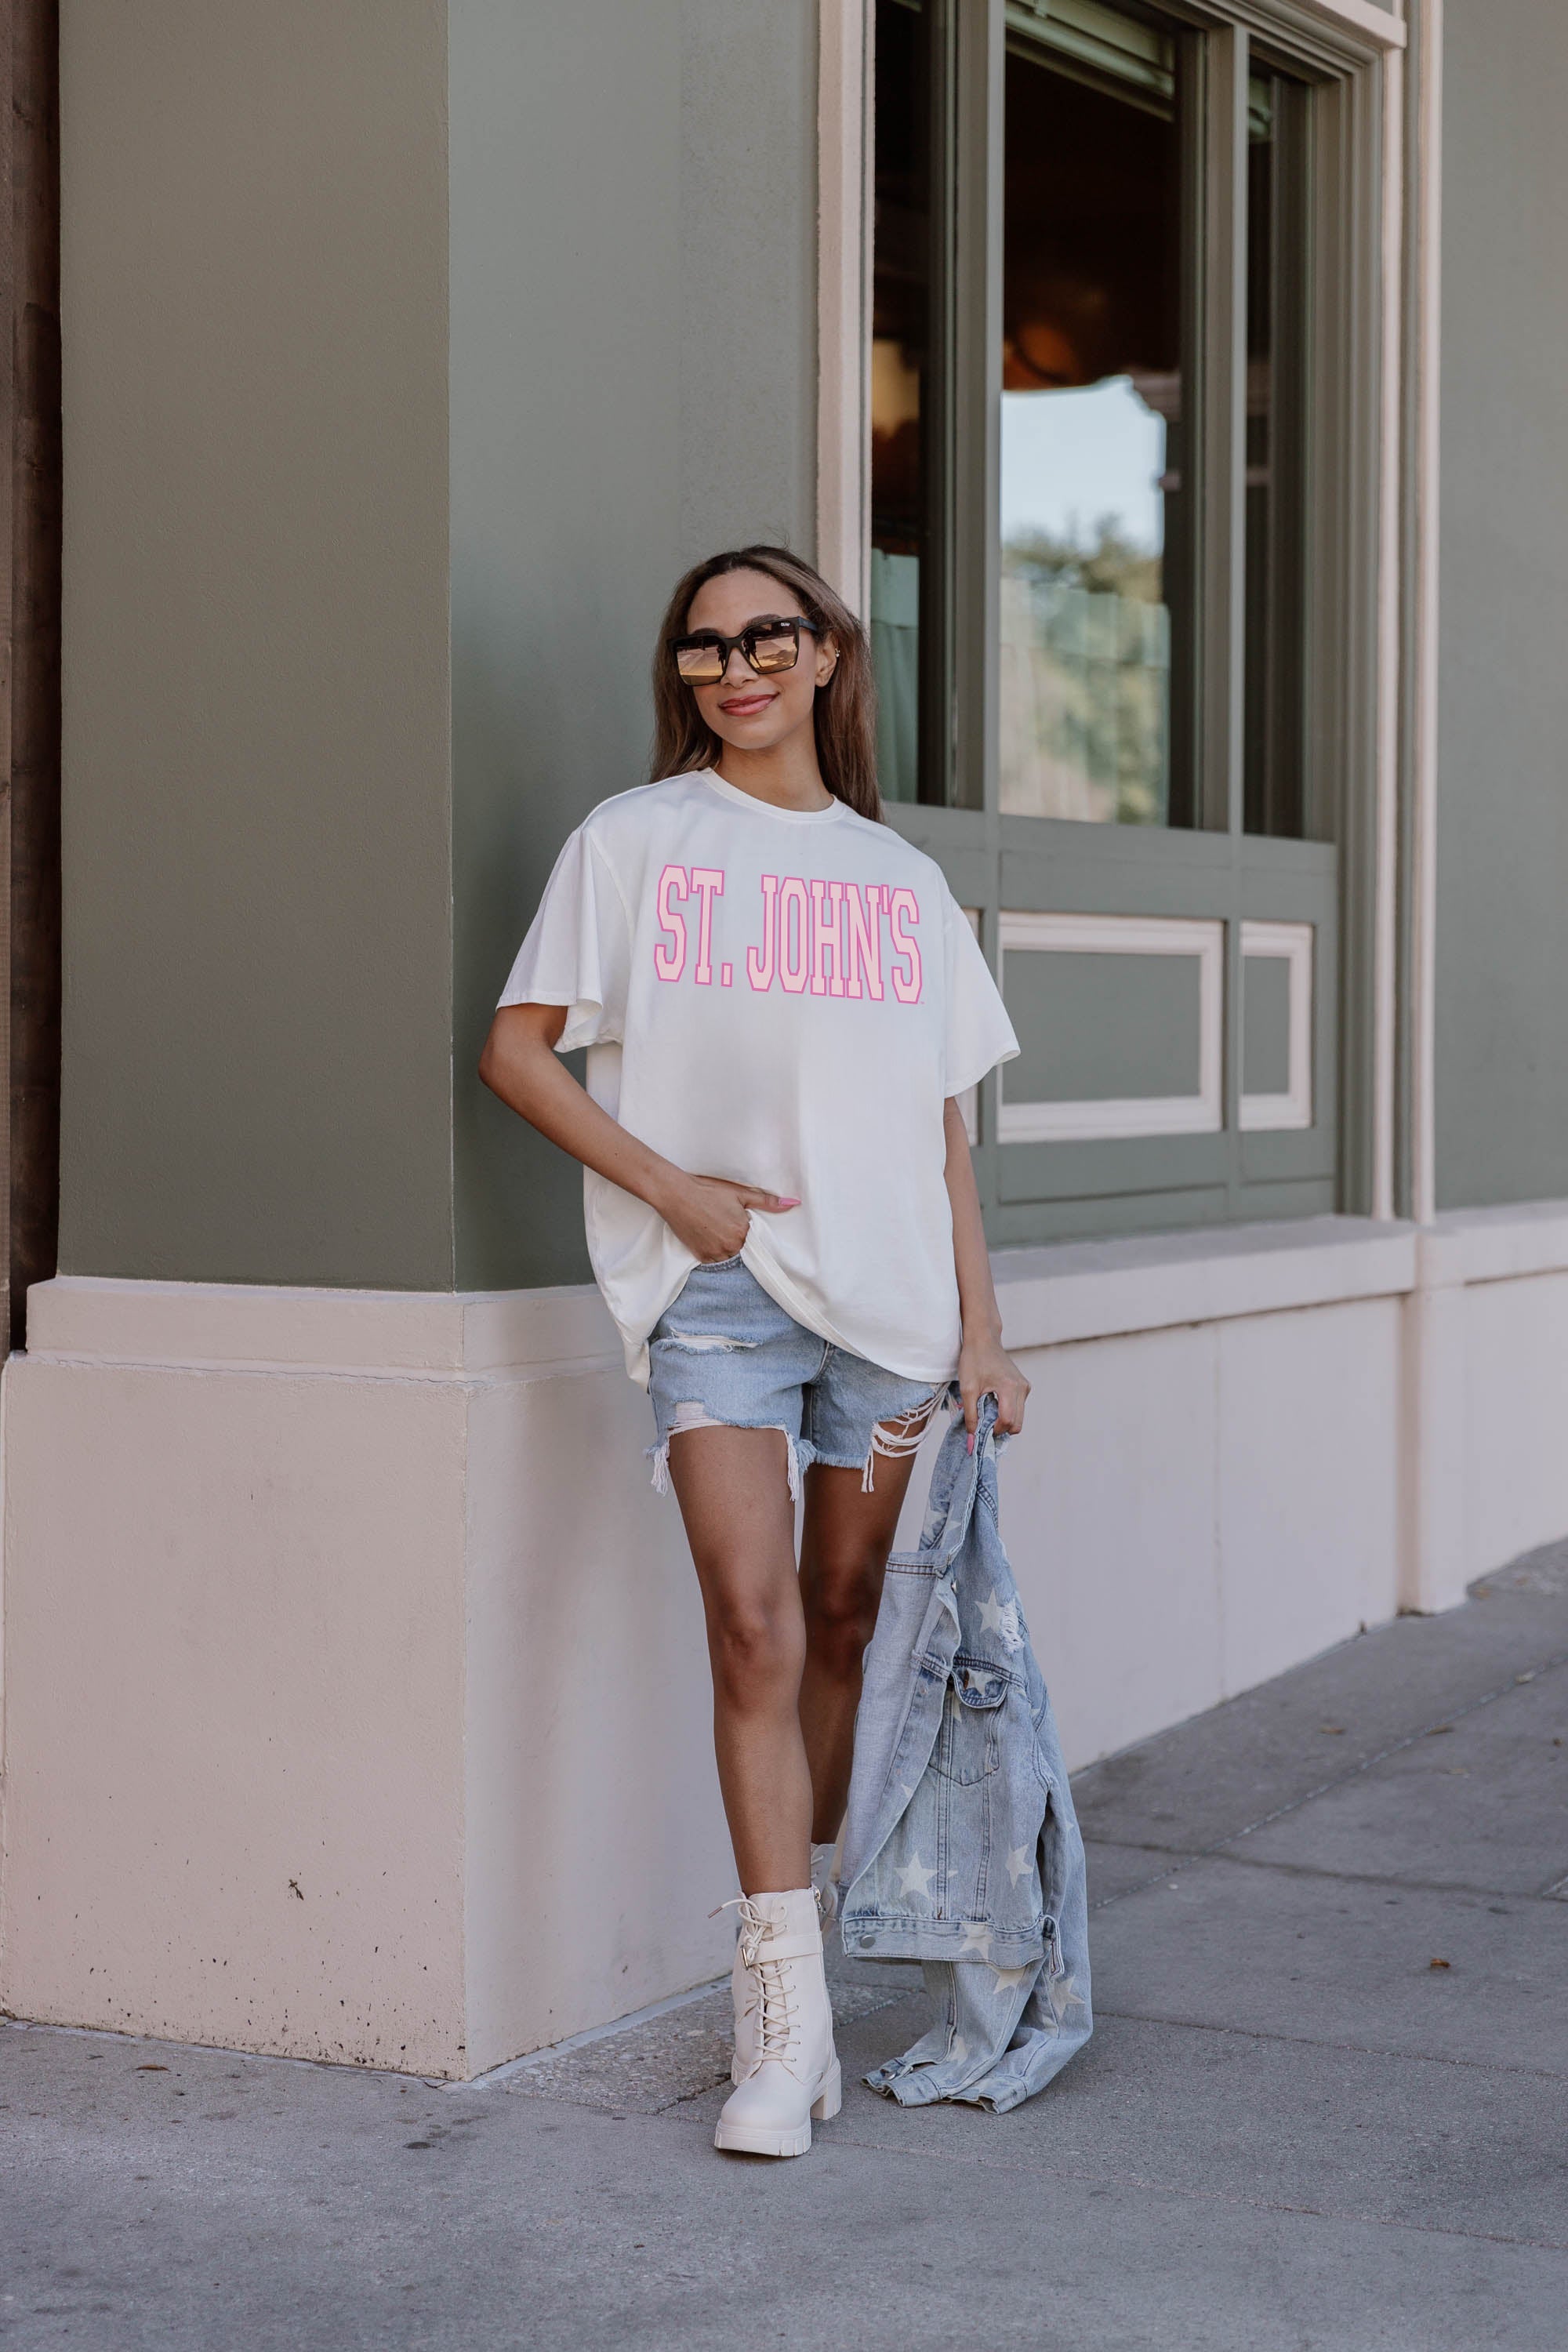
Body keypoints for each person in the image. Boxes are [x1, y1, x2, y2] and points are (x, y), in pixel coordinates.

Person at [479, 545, 1029, 2158]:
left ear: (825, 655)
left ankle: (818, 1975)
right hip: (716, 1296)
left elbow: (942, 1138)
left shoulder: (899, 884)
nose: (735, 669)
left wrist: (981, 1336)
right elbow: (515, 1053)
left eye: (765, 637)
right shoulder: (635, 842)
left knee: (846, 1615)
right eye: (704, 649)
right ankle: (776, 2028)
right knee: (751, 1620)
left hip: (893, 1320)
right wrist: (674, 1195)